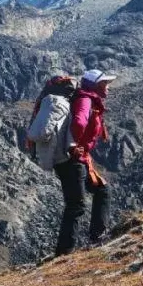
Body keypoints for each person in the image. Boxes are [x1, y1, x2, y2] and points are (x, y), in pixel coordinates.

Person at [53, 69, 114, 257]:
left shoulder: (87, 99)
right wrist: (75, 145)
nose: (108, 87)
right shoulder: (85, 100)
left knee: (101, 190)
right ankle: (65, 253)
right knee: (76, 205)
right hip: (72, 160)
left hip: (78, 159)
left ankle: (97, 237)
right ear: (94, 85)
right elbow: (79, 122)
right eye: (104, 83)